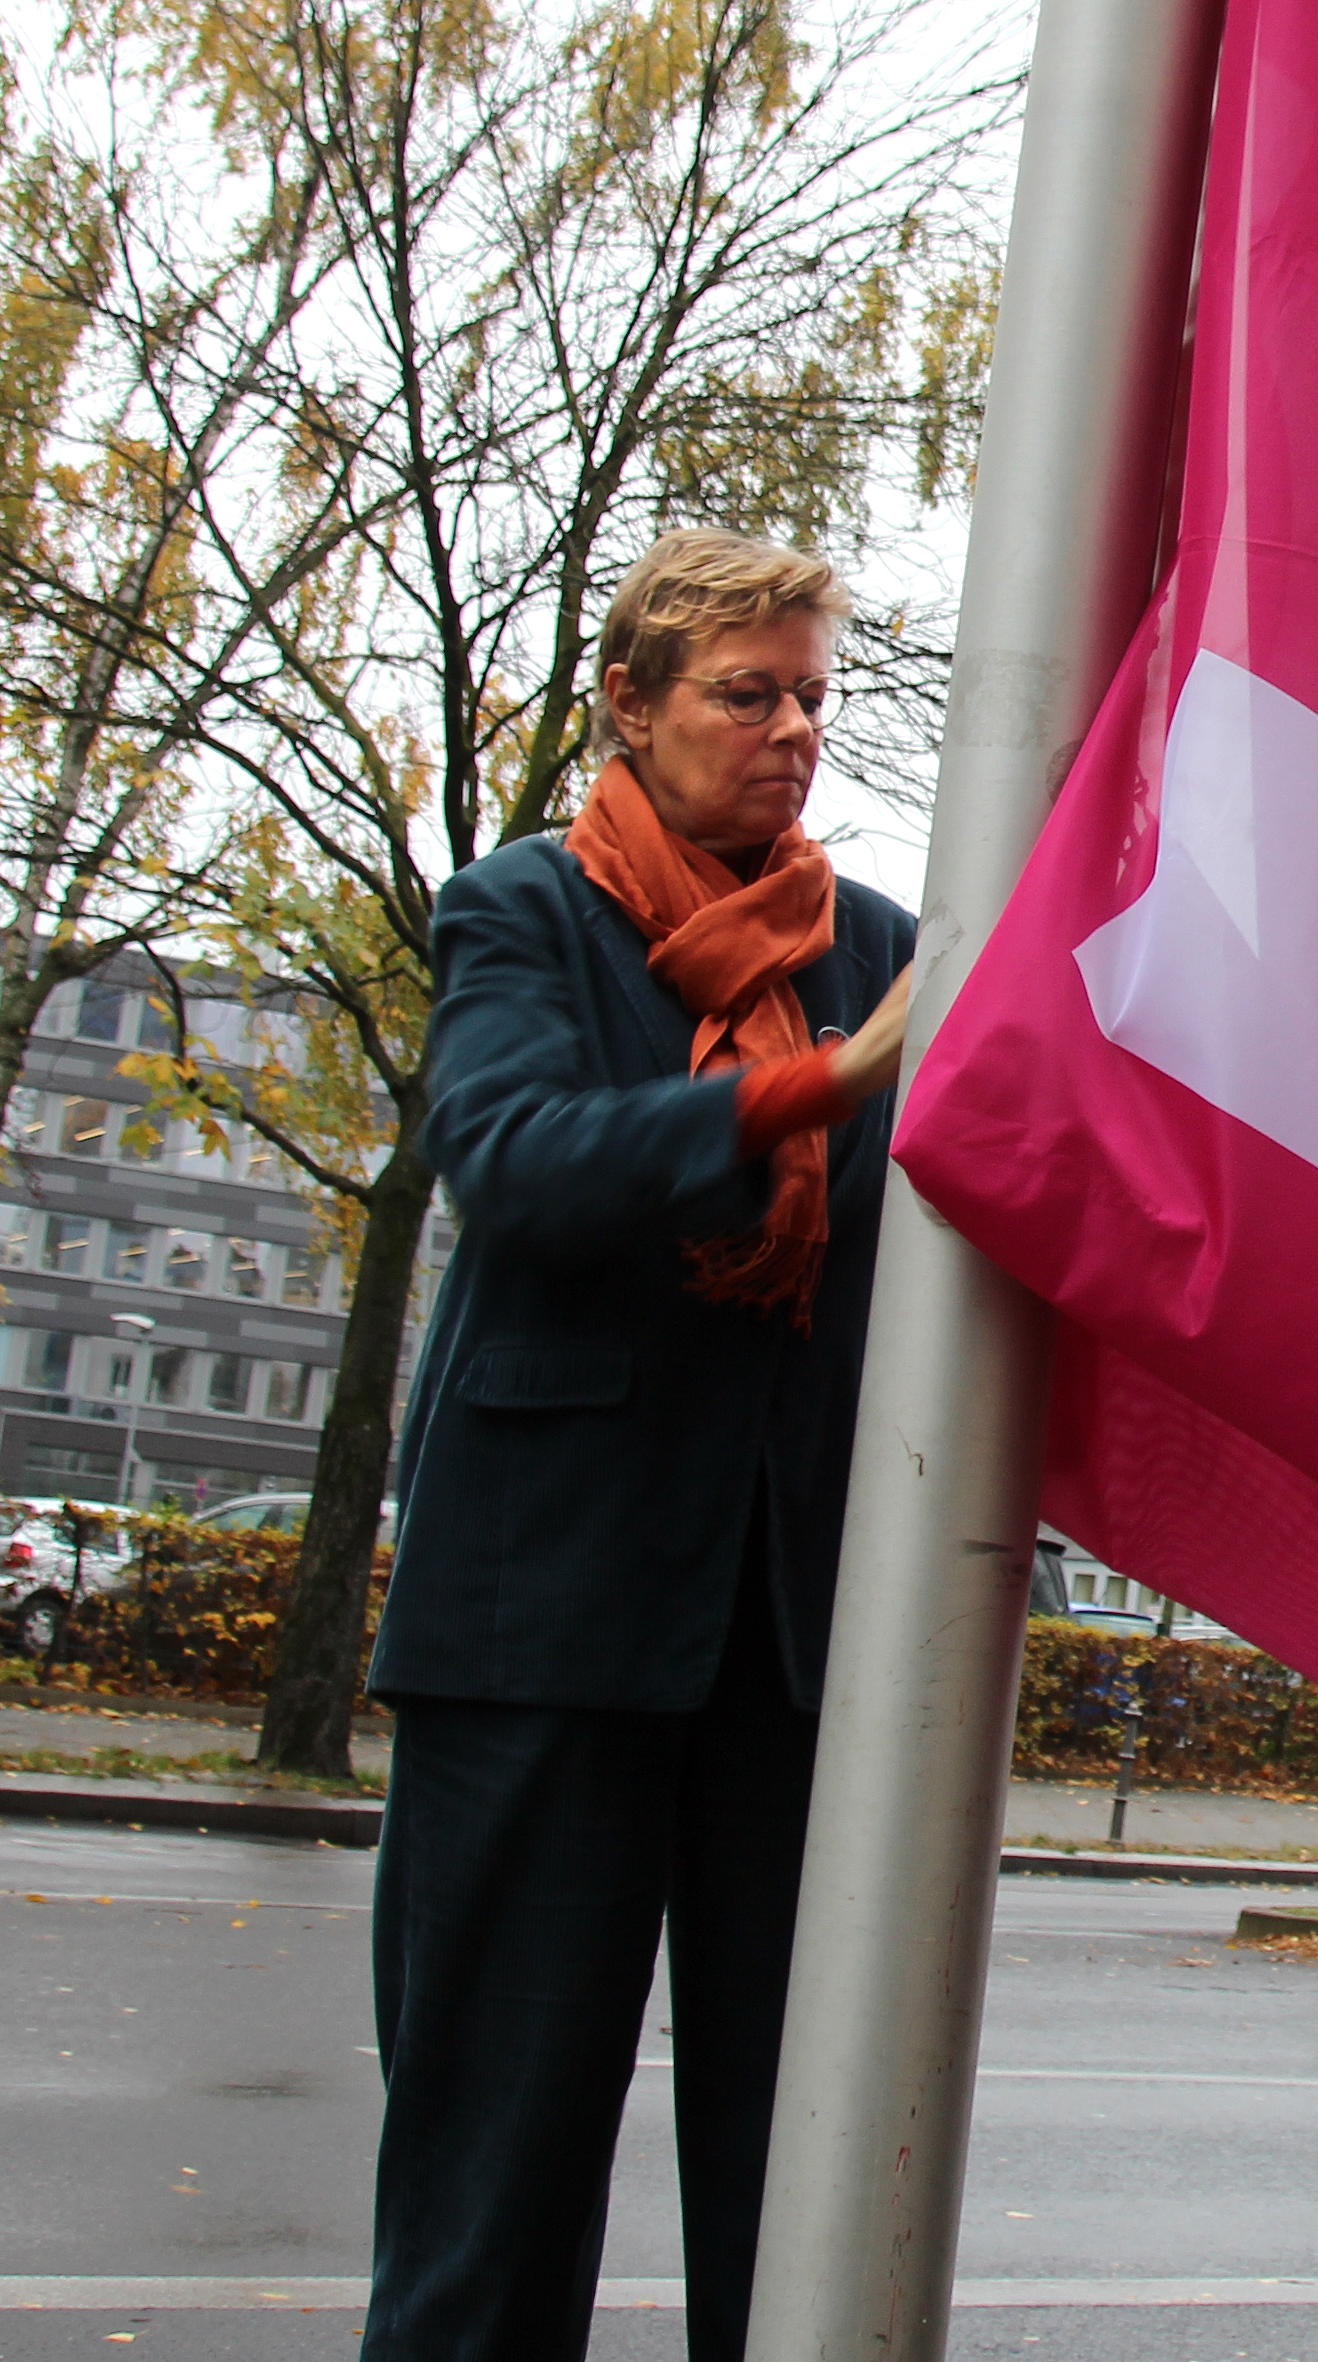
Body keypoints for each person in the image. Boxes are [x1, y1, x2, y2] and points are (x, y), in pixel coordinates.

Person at [360, 529, 918, 2361]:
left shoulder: (886, 950)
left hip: (791, 1644)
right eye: (745, 693)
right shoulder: (523, 909)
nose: (788, 732)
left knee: (802, 2187)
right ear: (630, 701)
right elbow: (510, 1156)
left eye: (812, 698)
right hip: (545, 1621)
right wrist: (805, 1089)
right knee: (492, 2183)